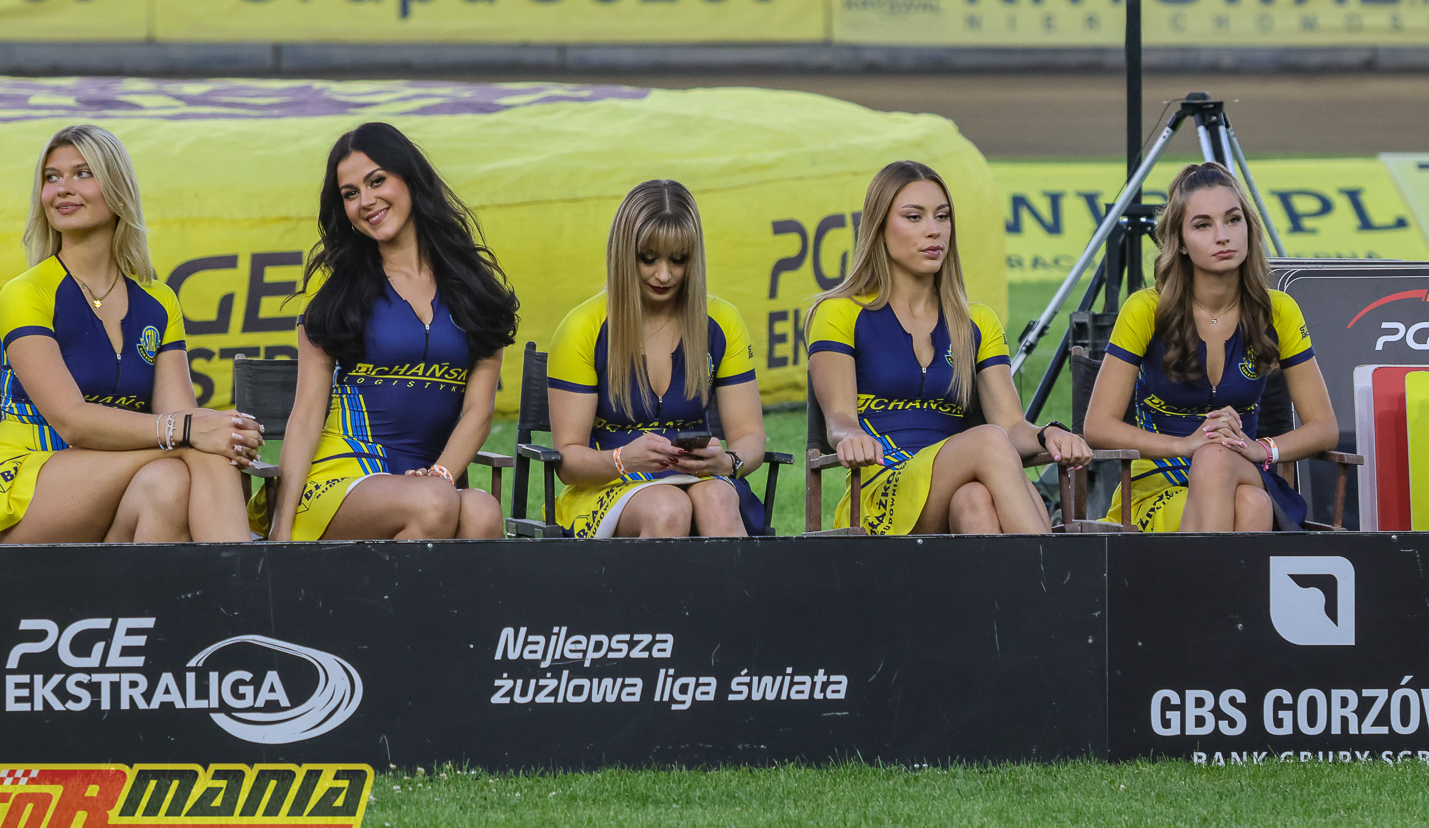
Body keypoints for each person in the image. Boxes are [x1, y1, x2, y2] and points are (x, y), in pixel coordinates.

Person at [0, 125, 262, 546]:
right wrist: (197, 429)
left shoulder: (160, 300)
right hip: (28, 482)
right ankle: (246, 579)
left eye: (83, 173)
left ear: (118, 188)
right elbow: (73, 422)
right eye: (52, 177)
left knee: (171, 482)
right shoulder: (25, 293)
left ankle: (182, 589)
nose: (63, 188)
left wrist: (211, 429)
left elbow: (178, 414)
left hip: (120, 483)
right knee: (195, 445)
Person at [807, 161, 1089, 536]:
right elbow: (839, 419)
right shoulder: (839, 312)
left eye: (942, 216)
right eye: (914, 217)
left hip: (956, 485)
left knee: (975, 500)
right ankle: (1056, 566)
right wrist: (850, 438)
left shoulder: (978, 321)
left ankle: (1026, 575)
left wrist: (1046, 434)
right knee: (989, 441)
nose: (934, 230)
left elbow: (1011, 426)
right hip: (881, 492)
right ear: (879, 226)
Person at [266, 123, 518, 542]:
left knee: (483, 511)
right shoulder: (339, 301)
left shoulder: (475, 295)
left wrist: (441, 474)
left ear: (409, 178)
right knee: (435, 502)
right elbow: (306, 416)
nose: (366, 201)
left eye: (377, 181)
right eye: (350, 194)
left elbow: (479, 411)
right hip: (341, 480)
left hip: (427, 481)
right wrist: (281, 527)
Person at [1084, 163, 1339, 533]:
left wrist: (1262, 449)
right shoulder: (1146, 309)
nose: (1223, 236)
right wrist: (1185, 445)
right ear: (1180, 242)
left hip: (1243, 468)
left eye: (1233, 220)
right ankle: (1226, 573)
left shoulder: (1279, 310)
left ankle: (1196, 572)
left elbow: (1324, 427)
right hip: (1158, 485)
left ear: (1249, 227)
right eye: (1203, 225)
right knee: (1251, 504)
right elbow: (1097, 426)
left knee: (1219, 459)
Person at [547, 180, 768, 539]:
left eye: (678, 260)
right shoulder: (582, 327)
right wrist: (622, 459)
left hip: (701, 481)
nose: (664, 274)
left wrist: (728, 461)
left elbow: (750, 436)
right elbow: (568, 461)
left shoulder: (723, 321)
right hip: (608, 484)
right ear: (623, 253)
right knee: (667, 507)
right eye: (648, 258)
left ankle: (736, 581)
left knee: (715, 498)